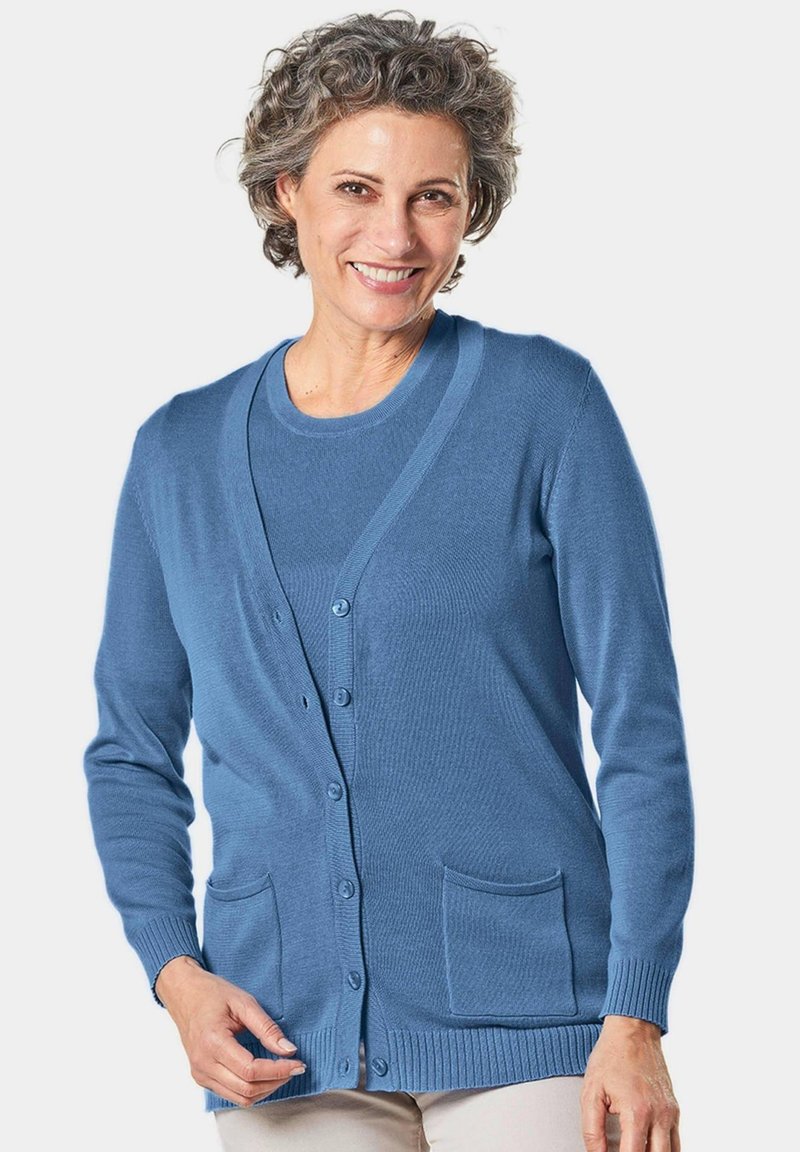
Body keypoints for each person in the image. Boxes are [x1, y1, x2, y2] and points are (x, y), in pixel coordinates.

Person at [83, 10, 695, 1152]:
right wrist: (175, 973)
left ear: (472, 211)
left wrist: (635, 1013)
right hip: (279, 1032)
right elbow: (130, 751)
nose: (396, 234)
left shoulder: (543, 406)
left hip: (535, 1017)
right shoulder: (178, 454)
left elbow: (640, 727)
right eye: (356, 189)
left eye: (434, 196)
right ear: (287, 194)